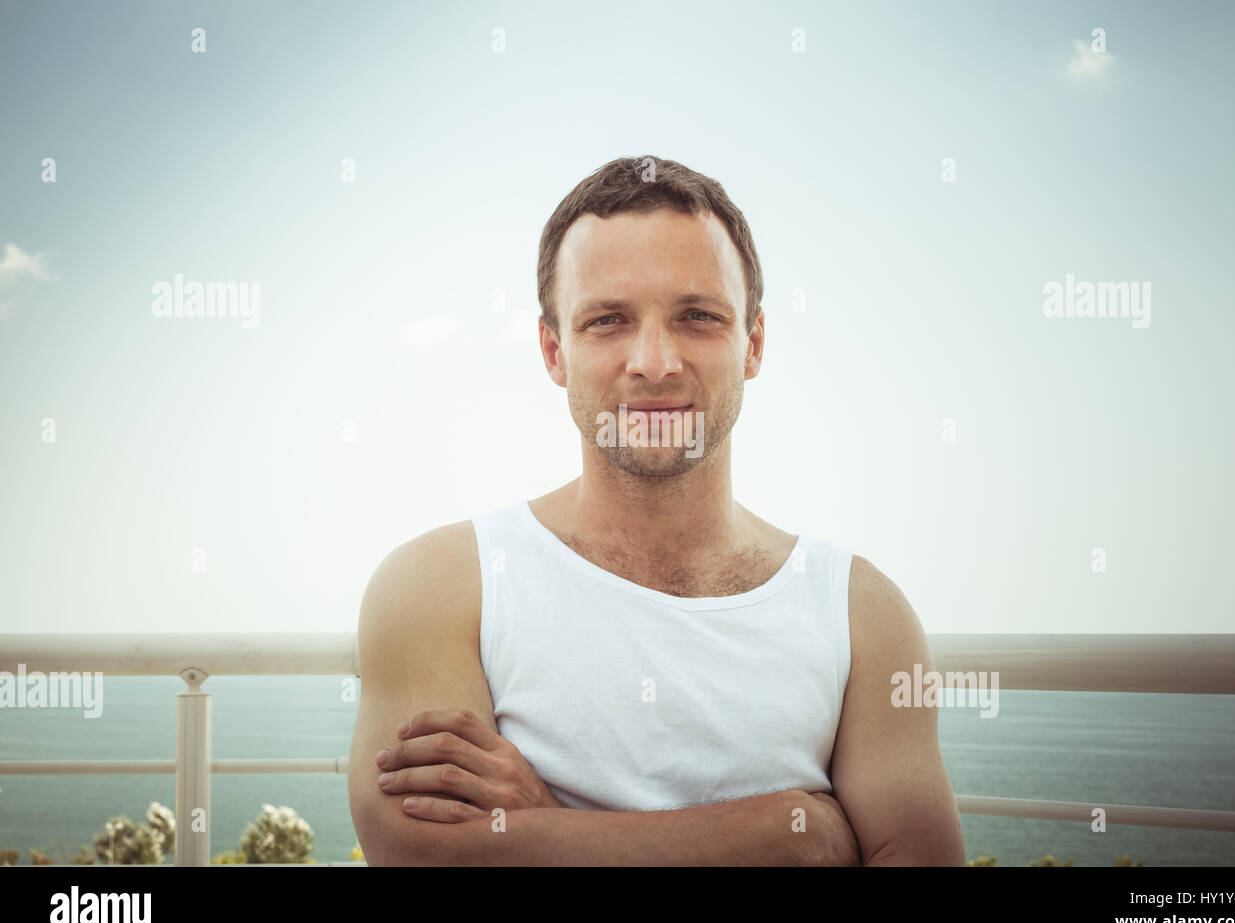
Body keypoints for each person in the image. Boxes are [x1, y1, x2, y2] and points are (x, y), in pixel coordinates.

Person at [347, 156, 965, 866]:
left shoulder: (862, 614)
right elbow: (421, 854)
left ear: (753, 344)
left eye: (697, 316)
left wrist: (546, 821)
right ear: (554, 350)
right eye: (608, 320)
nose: (654, 361)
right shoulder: (442, 584)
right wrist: (785, 833)